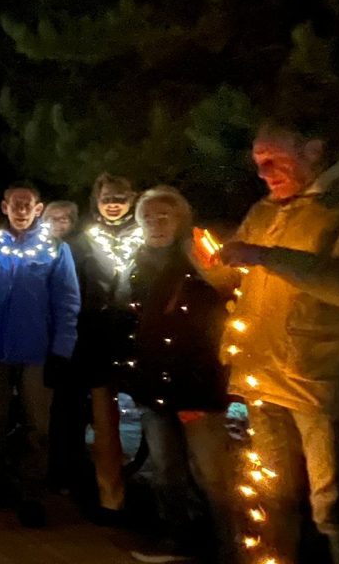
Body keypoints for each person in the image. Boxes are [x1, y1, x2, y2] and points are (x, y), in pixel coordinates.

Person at [197, 111, 339, 563]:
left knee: (331, 505)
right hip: (262, 375)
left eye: (273, 159)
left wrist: (265, 255)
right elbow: (239, 279)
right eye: (257, 161)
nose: (261, 172)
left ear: (313, 151)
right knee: (273, 493)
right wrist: (213, 261)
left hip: (320, 383)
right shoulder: (266, 210)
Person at [120, 187, 236, 563]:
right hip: (155, 382)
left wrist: (200, 388)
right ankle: (177, 537)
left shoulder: (201, 256)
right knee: (166, 468)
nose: (155, 223)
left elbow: (221, 313)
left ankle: (229, 546)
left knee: (211, 473)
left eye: (163, 216)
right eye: (148, 217)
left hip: (197, 384)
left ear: (181, 218)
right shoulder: (138, 262)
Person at [0, 181, 81, 527]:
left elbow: (68, 301)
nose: (21, 210)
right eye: (15, 203)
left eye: (28, 204)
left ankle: (32, 495)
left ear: (38, 209)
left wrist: (61, 350)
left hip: (37, 352)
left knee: (37, 427)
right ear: (5, 207)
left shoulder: (54, 249)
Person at [63, 173, 142, 521]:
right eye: (107, 196)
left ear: (132, 198)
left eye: (120, 196)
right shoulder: (82, 242)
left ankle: (163, 492)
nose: (113, 203)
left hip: (141, 337)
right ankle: (111, 497)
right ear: (96, 200)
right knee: (103, 418)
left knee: (155, 420)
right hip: (96, 336)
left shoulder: (147, 237)